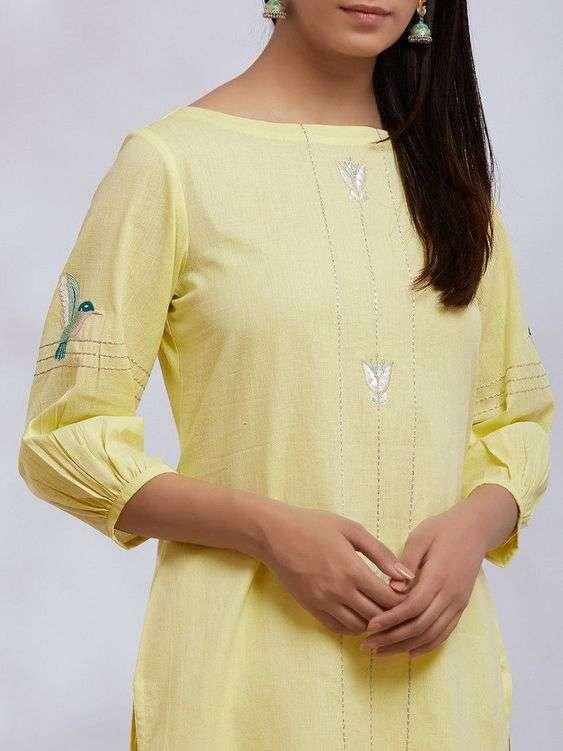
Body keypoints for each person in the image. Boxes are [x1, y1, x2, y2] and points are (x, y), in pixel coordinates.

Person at [18, 1, 556, 749]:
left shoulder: (453, 184)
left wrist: (473, 528)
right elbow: (64, 438)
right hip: (241, 686)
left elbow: (515, 421)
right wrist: (269, 532)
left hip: (440, 687)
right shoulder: (171, 165)